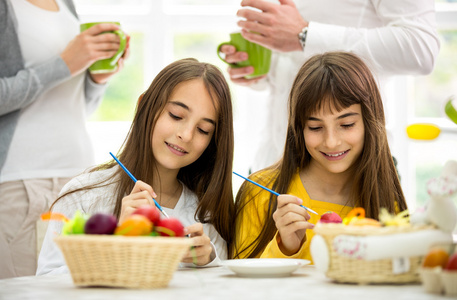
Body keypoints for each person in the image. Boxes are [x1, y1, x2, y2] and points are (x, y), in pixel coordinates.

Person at [36, 58, 235, 275]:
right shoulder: (85, 195)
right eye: (176, 116)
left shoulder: (205, 213)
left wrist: (208, 261)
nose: (186, 135)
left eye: (203, 130)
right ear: (143, 106)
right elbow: (46, 283)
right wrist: (116, 245)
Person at [220, 0, 440, 171]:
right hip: (271, 166)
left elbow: (420, 47)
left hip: (352, 178)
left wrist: (305, 34)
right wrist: (260, 72)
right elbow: (291, 62)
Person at [231, 52, 407, 261]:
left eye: (347, 125)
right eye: (315, 127)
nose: (331, 142)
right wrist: (285, 248)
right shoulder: (259, 193)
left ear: (369, 122)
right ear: (299, 128)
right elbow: (241, 287)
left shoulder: (386, 203)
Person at [0, 0, 130, 278]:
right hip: (20, 182)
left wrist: (97, 79)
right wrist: (64, 64)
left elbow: (74, 106)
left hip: (78, 179)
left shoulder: (64, 3)